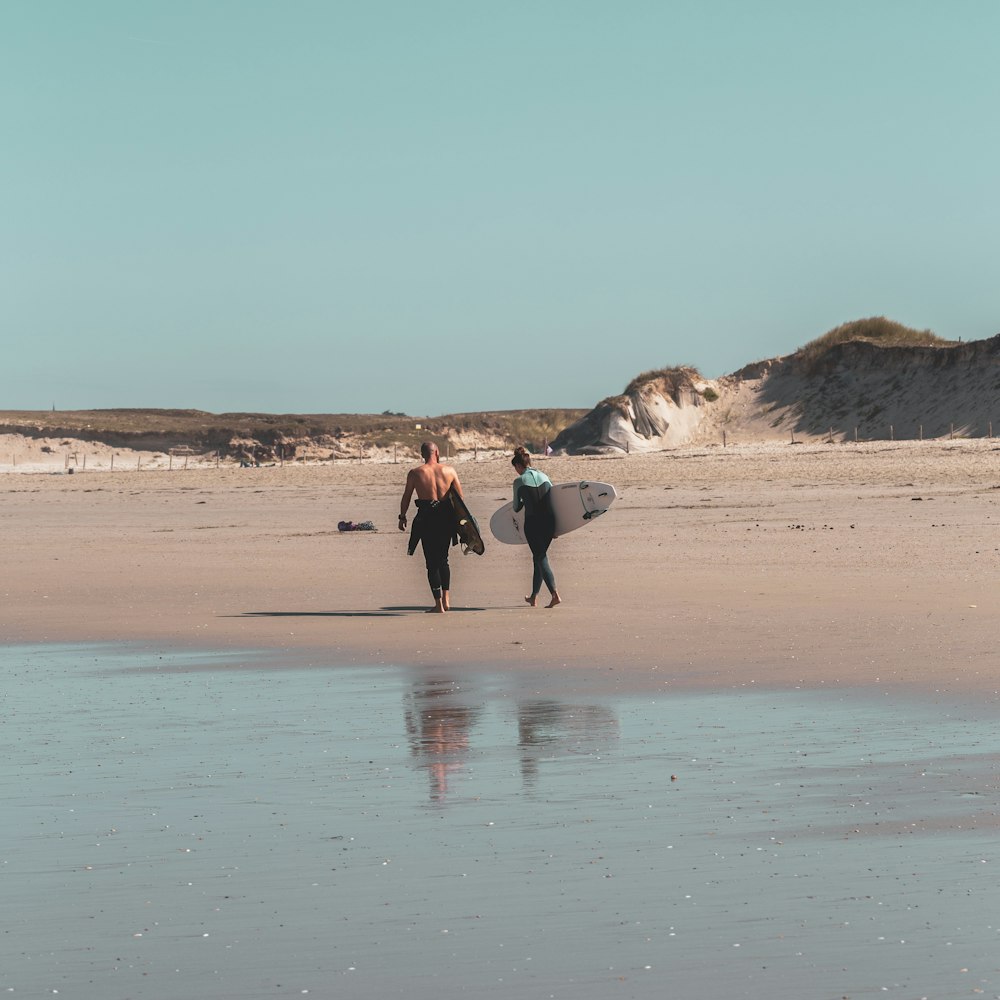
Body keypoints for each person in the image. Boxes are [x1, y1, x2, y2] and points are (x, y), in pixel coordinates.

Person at [399, 442, 464, 613]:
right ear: (437, 452)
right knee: (443, 559)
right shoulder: (449, 471)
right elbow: (460, 499)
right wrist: (463, 524)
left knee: (431, 562)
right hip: (445, 519)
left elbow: (406, 496)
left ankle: (438, 605)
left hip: (426, 519)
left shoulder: (415, 473)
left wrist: (402, 516)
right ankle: (447, 599)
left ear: (422, 454)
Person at [511, 445, 561, 608]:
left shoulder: (519, 481)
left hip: (533, 524)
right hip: (550, 522)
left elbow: (516, 507)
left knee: (540, 557)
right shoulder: (545, 476)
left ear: (518, 466)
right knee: (538, 557)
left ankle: (555, 594)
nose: (516, 472)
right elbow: (553, 498)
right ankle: (533, 596)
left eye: (516, 469)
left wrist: (525, 499)